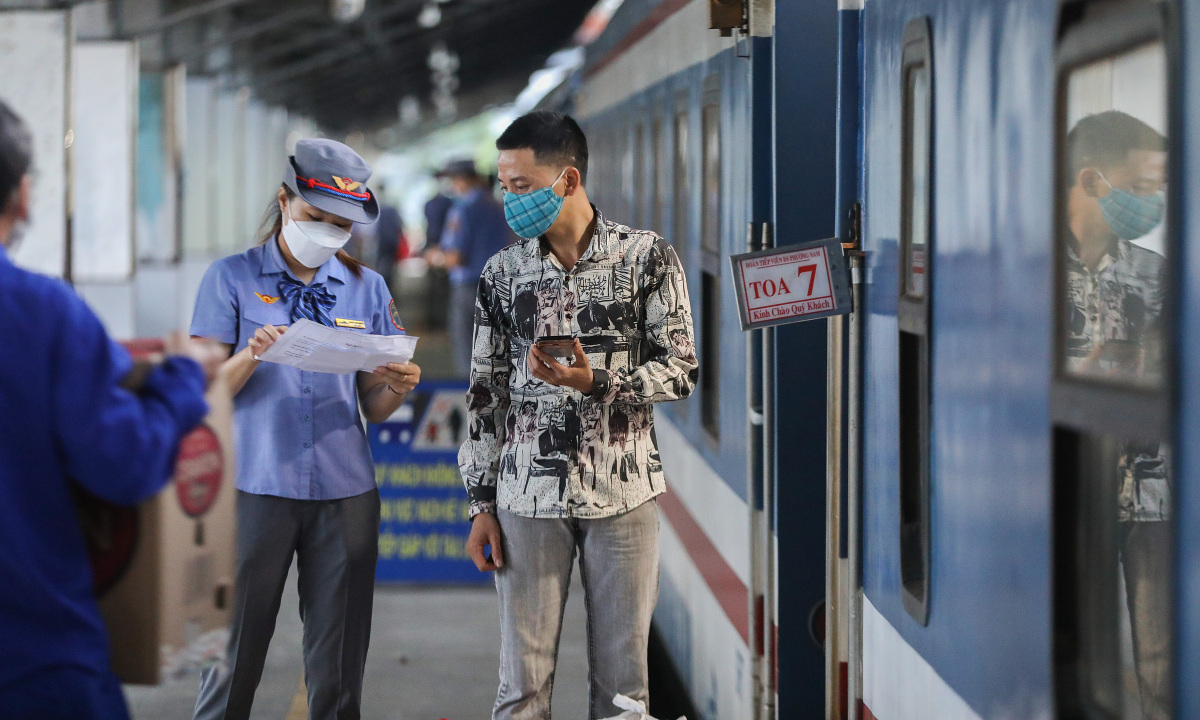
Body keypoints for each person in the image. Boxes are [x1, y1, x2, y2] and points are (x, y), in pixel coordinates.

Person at [458, 111, 698, 719]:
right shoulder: (502, 275)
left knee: (625, 692)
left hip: (624, 495)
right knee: (522, 688)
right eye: (503, 185)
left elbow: (683, 370)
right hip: (525, 501)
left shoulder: (647, 260)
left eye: (520, 186)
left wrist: (600, 383)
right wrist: (480, 507)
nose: (508, 200)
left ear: (567, 181)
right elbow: (486, 397)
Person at [0, 100, 219, 720]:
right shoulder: (43, 315)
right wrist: (180, 381)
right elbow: (124, 464)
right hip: (34, 665)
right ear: (22, 196)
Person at [190, 139, 422, 720]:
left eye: (340, 224)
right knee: (232, 655)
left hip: (345, 493)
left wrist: (397, 383)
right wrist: (249, 356)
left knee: (339, 667)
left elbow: (374, 406)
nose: (326, 232)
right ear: (285, 200)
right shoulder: (231, 280)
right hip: (254, 489)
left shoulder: (367, 288)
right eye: (316, 217)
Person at [1062, 109, 1170, 720]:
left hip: (1154, 498)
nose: (1151, 205)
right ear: (1093, 180)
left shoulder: (1155, 275)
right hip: (1072, 500)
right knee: (1075, 665)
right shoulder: (1031, 271)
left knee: (1165, 670)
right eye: (1143, 188)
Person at [438, 158, 516, 375]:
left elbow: (455, 258)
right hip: (502, 288)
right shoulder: (500, 207)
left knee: (468, 351)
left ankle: (472, 401)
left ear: (462, 180)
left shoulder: (462, 210)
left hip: (470, 289)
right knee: (498, 349)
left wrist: (436, 258)